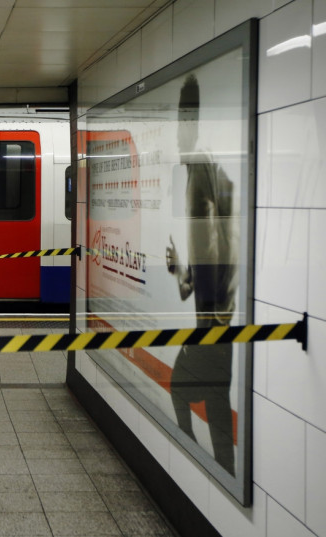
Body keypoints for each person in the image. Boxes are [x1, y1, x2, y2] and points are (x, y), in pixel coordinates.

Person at [166, 73, 238, 475]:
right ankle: (218, 472)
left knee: (179, 390)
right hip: (214, 328)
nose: (178, 131)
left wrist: (216, 317)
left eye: (183, 120)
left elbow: (222, 247)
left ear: (193, 122)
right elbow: (203, 269)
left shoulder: (203, 172)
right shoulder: (204, 172)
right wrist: (181, 269)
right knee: (217, 416)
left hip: (211, 329)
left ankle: (196, 463)